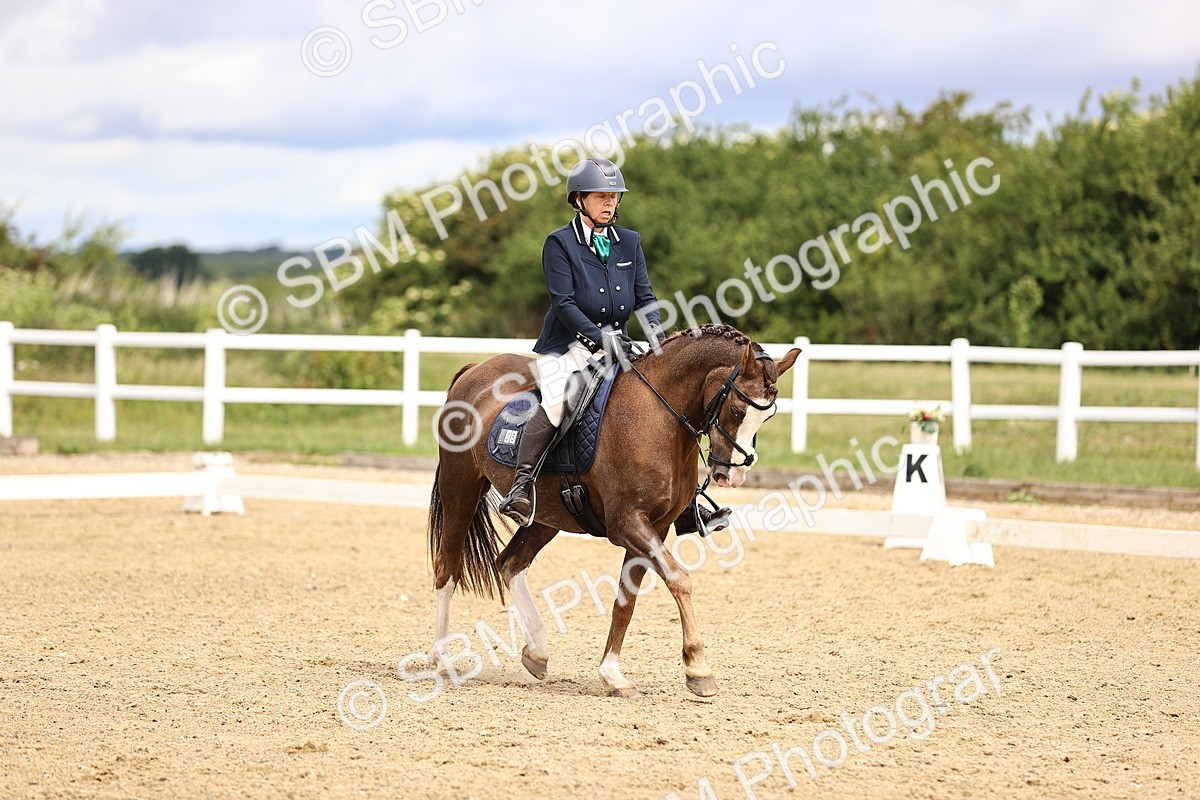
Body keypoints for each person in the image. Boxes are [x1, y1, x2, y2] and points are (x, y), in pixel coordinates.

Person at [496, 157, 731, 537]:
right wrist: (599, 338)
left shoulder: (629, 241)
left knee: (663, 402)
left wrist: (656, 336)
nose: (610, 203)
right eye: (600, 196)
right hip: (569, 346)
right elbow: (563, 303)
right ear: (578, 200)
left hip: (619, 343)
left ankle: (686, 505)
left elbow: (646, 297)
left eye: (614, 196)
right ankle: (522, 488)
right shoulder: (559, 243)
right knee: (557, 399)